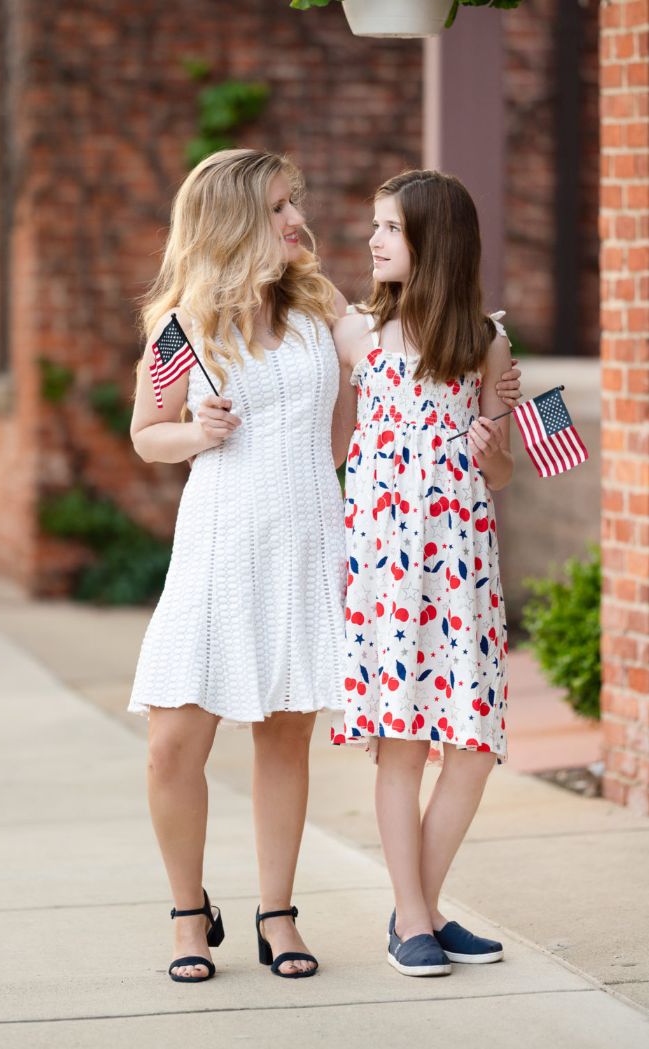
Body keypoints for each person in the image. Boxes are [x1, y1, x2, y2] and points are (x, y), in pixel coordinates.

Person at [129, 150, 521, 984]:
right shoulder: (181, 326)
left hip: (310, 542)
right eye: (279, 206)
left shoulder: (322, 313)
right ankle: (189, 913)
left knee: (285, 739)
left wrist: (495, 382)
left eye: (294, 201)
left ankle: (279, 912)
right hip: (218, 547)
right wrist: (195, 433)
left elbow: (387, 390)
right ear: (236, 220)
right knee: (171, 745)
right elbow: (145, 433)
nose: (296, 218)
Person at [331, 169, 513, 977]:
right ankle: (416, 917)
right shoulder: (360, 336)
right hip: (389, 569)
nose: (373, 241)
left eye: (390, 229)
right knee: (401, 747)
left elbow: (503, 471)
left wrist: (490, 446)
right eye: (374, 225)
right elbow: (339, 440)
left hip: (462, 566)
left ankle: (421, 905)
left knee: (470, 748)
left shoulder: (485, 342)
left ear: (433, 242)